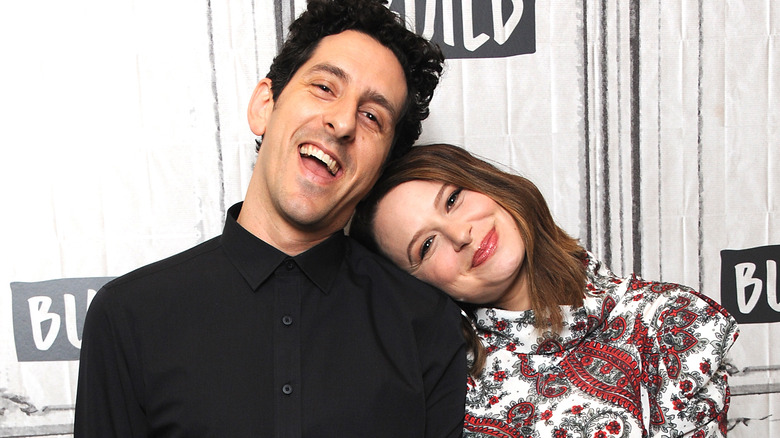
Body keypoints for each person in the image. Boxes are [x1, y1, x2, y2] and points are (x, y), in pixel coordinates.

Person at [74, 2, 467, 437]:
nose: (340, 123)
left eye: (372, 116)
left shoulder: (428, 326)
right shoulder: (128, 317)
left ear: (380, 169)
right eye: (324, 87)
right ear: (265, 105)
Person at [350, 143, 740, 437]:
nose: (460, 234)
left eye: (453, 199)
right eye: (427, 246)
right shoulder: (447, 393)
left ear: (486, 182)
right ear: (414, 284)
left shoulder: (668, 320)